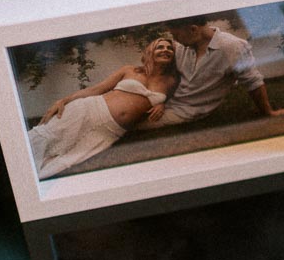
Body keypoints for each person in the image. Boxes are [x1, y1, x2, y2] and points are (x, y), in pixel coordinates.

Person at [27, 34, 179, 179]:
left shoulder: (171, 81)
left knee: (65, 162)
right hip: (89, 110)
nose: (165, 50)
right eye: (160, 47)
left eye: (169, 48)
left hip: (109, 132)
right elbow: (96, 89)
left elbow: (170, 99)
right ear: (150, 52)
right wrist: (63, 101)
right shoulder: (129, 70)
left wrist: (162, 104)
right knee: (46, 139)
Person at [163, 15, 284, 123]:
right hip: (163, 103)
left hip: (186, 111)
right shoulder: (180, 47)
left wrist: (269, 112)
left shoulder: (232, 47)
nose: (174, 40)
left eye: (176, 36)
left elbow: (253, 82)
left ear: (193, 29)